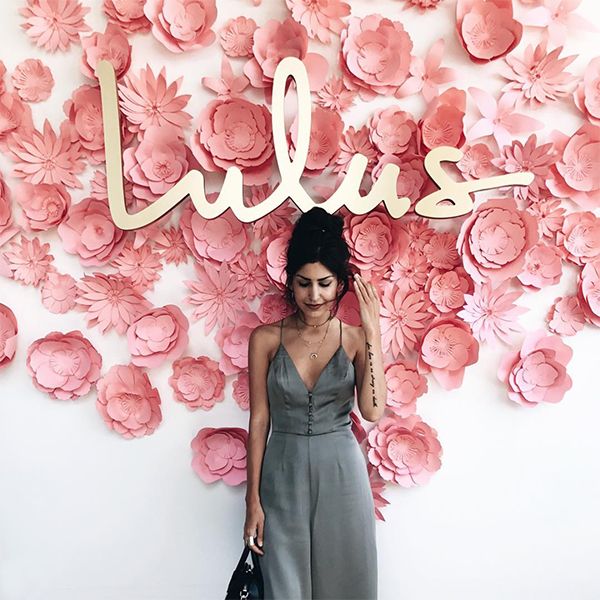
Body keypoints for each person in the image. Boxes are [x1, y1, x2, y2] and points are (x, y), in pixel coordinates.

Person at [244, 207, 386, 599]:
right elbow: (259, 422)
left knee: (346, 585)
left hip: (341, 475)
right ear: (290, 282)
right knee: (283, 586)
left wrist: (372, 332)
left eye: (324, 283)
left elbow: (373, 411)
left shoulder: (356, 339)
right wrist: (251, 501)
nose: (314, 295)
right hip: (281, 475)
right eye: (303, 283)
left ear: (340, 283)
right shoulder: (265, 339)